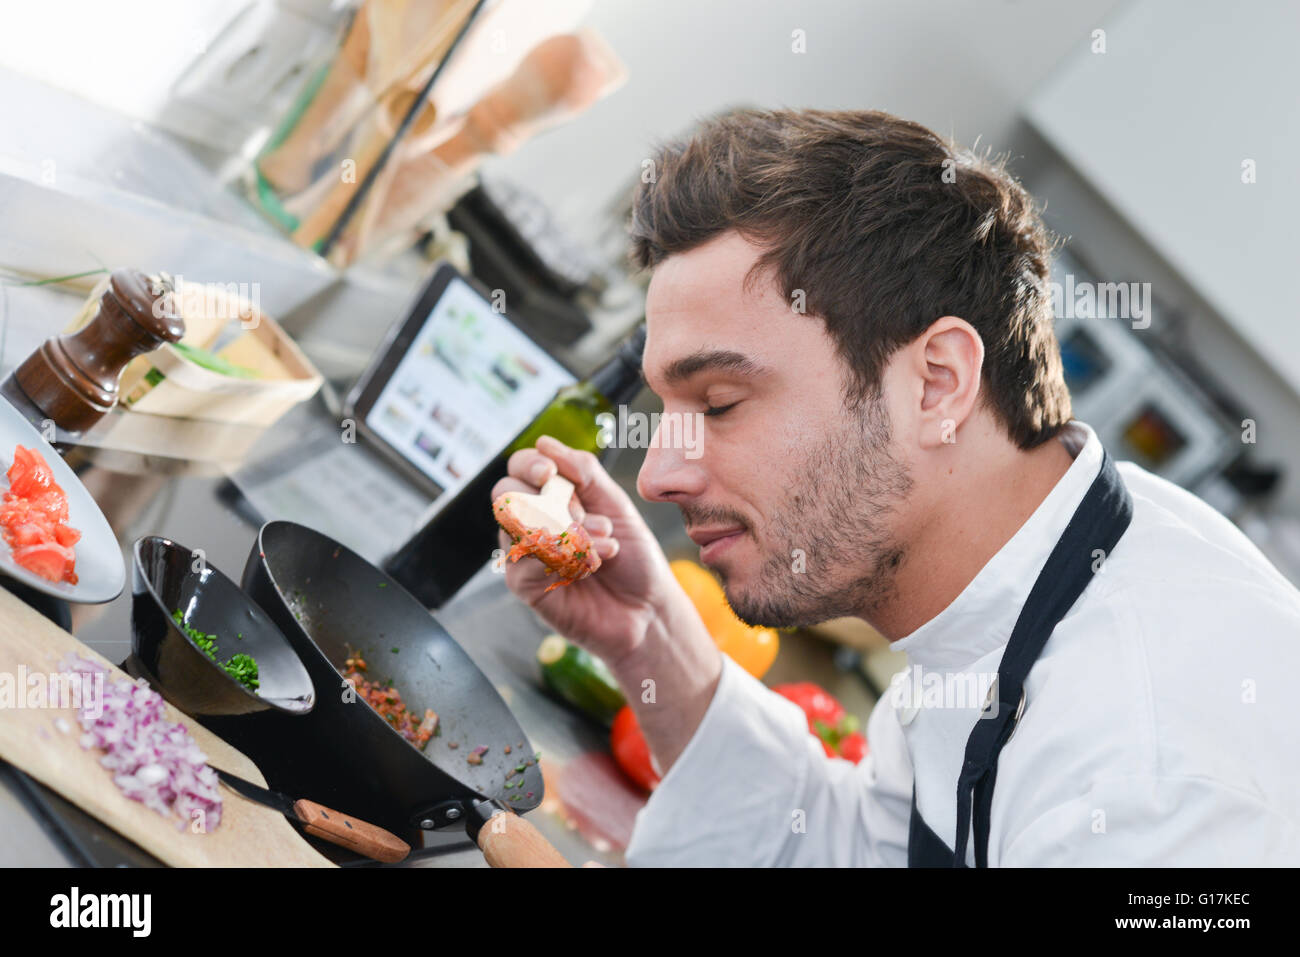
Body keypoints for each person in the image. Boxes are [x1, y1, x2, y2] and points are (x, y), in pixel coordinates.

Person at [490, 108, 1300, 866]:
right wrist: (648, 635)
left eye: (720, 403)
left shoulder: (1160, 789)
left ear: (938, 383)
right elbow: (857, 850)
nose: (660, 473)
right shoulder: (1018, 571)